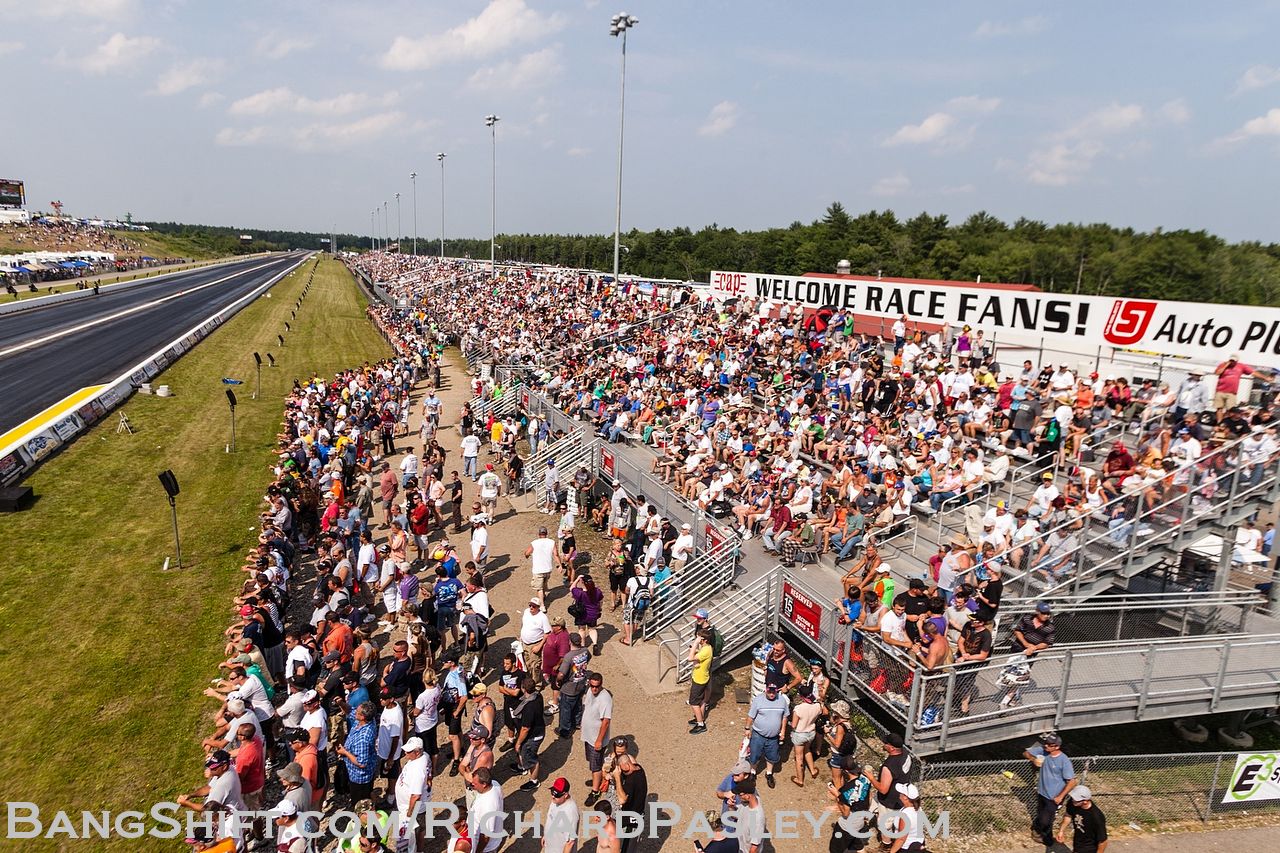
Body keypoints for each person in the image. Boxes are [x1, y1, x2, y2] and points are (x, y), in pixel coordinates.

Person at [1024, 732, 1078, 848]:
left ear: (1057, 746)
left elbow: (1072, 781)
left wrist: (1060, 796)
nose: (1046, 746)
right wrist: (1033, 759)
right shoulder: (1043, 751)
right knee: (1042, 814)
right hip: (1041, 792)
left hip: (1054, 796)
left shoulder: (1064, 761)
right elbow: (1026, 753)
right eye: (1046, 743)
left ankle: (1039, 831)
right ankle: (1046, 839)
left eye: (1049, 744)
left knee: (1046, 820)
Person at [863, 732, 913, 847]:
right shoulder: (906, 755)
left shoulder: (889, 766)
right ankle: (865, 818)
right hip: (901, 794)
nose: (883, 744)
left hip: (889, 801)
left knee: (885, 826)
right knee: (872, 805)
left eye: (886, 743)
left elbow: (883, 789)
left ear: (891, 747)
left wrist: (871, 777)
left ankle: (886, 845)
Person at [745, 682, 789, 789]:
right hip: (758, 734)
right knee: (754, 754)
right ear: (766, 690)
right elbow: (751, 716)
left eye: (774, 691)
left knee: (772, 756)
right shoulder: (758, 700)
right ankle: (753, 772)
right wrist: (747, 728)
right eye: (770, 691)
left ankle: (769, 773)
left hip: (773, 737)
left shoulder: (782, 701)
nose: (772, 693)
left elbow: (785, 716)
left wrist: (783, 730)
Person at [581, 672, 614, 806]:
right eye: (592, 685)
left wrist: (599, 740)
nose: (594, 689)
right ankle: (597, 778)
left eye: (597, 686)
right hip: (589, 736)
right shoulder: (590, 691)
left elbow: (606, 721)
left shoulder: (605, 699)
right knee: (593, 762)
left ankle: (595, 791)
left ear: (601, 684)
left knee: (595, 766)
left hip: (596, 739)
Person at [614, 754, 650, 853]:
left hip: (630, 821)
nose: (623, 773)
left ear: (627, 766)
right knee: (632, 846)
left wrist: (617, 777)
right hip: (639, 816)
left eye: (623, 770)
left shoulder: (631, 781)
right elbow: (630, 758)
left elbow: (622, 800)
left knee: (626, 848)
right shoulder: (639, 768)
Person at [789, 683, 822, 787]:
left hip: (800, 734)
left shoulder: (798, 709)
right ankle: (812, 770)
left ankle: (800, 779)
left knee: (799, 757)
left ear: (801, 696)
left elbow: (794, 725)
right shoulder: (817, 706)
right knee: (807, 750)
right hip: (811, 732)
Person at [1058, 785, 1108, 853]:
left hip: (1089, 847)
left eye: (1075, 799)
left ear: (1085, 801)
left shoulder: (1096, 817)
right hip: (1078, 842)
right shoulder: (1073, 803)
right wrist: (1061, 831)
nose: (1073, 800)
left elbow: (1103, 841)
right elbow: (1068, 815)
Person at [468, 767, 505, 853]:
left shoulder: (488, 806)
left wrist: (477, 852)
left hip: (486, 848)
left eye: (474, 784)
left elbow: (485, 836)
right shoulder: (495, 784)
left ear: (484, 784)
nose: (472, 786)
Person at [687, 627, 714, 734]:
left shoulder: (705, 650)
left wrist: (694, 644)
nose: (697, 639)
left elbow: (690, 658)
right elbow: (700, 654)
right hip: (704, 677)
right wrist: (696, 649)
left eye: (699, 638)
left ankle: (701, 724)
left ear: (704, 640)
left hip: (699, 679)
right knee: (702, 700)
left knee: (693, 702)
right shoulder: (708, 647)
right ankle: (700, 718)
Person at [543, 777, 580, 853]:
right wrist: (546, 836)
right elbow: (551, 818)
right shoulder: (556, 801)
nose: (553, 796)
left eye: (557, 795)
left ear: (565, 795)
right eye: (552, 792)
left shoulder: (571, 812)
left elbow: (570, 842)